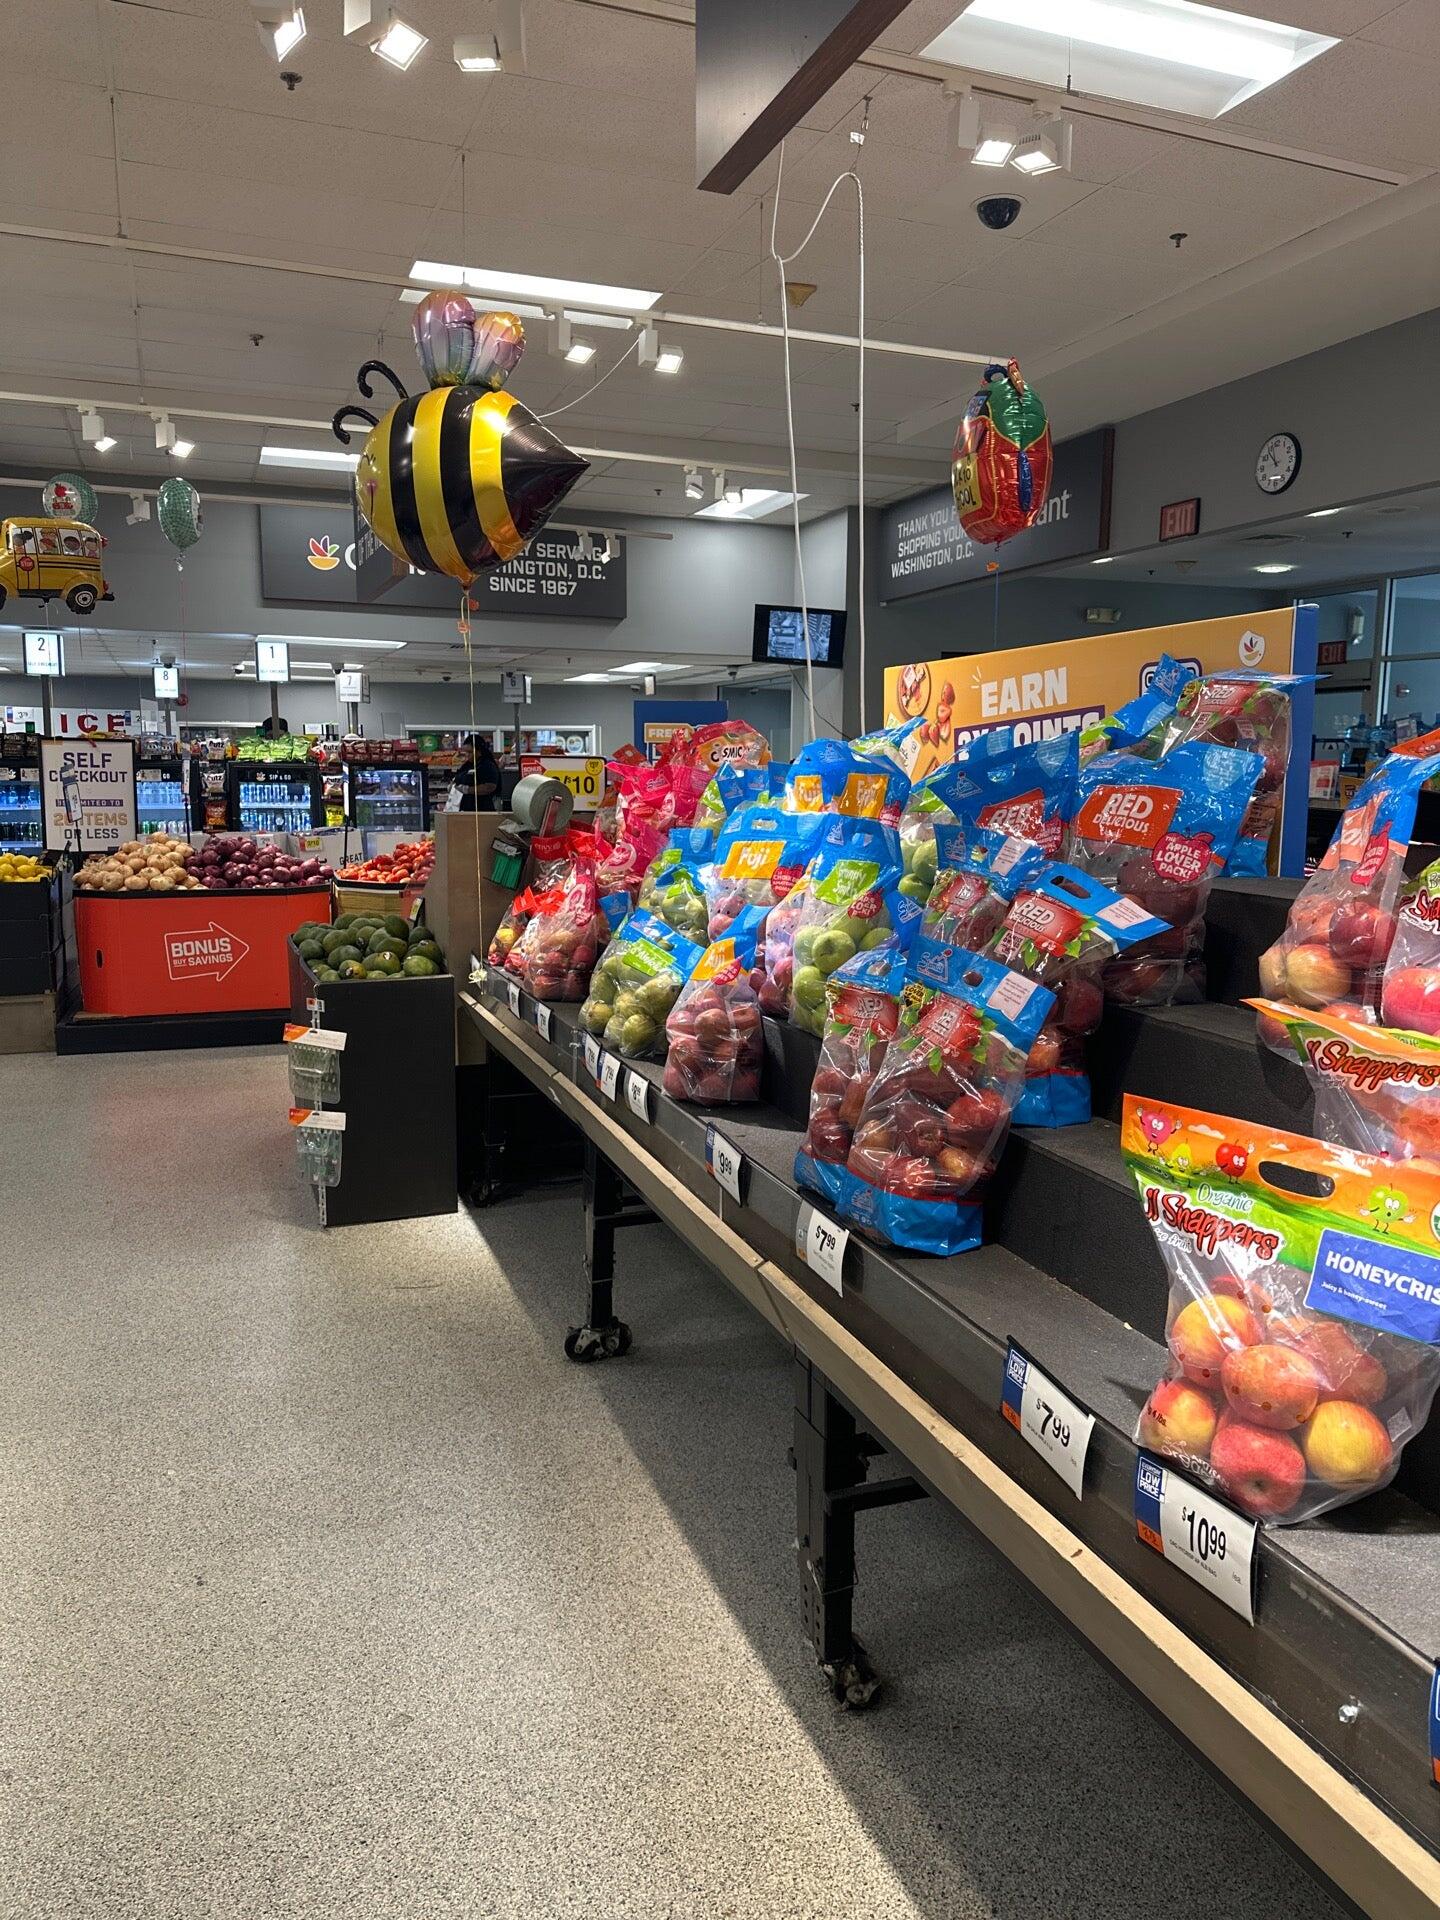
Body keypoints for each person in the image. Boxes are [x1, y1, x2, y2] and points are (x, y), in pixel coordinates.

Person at [448, 734, 502, 812]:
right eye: (465, 752)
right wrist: (452, 785)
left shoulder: (487, 765)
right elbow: (458, 777)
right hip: (464, 810)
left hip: (482, 810)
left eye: (470, 752)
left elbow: (490, 787)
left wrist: (467, 789)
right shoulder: (467, 765)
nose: (467, 755)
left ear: (479, 751)